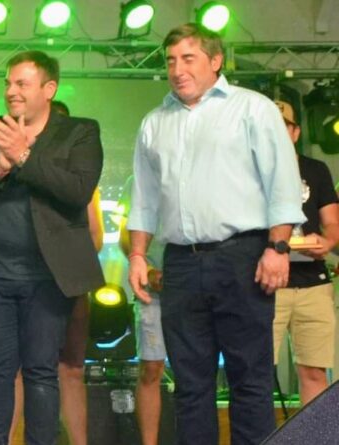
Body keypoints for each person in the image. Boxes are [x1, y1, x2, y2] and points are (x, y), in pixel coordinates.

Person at [127, 23, 305, 445]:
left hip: (242, 256)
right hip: (180, 263)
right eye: (171, 61)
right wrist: (137, 255)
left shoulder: (253, 109)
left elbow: (282, 183)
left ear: (216, 60)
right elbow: (145, 198)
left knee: (250, 378)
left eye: (188, 58)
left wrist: (278, 247)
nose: (177, 70)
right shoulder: (154, 122)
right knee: (190, 383)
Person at [0, 51, 104, 445]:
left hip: (49, 278)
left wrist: (23, 155)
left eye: (21, 83)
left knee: (40, 372)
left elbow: (77, 191)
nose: (11, 91)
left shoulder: (80, 132)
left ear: (48, 89)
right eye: (8, 83)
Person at [8, 99, 105, 445]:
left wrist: (62, 260)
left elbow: (95, 236)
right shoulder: (17, 173)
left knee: (71, 367)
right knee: (21, 369)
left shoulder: (81, 181)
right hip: (26, 281)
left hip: (69, 281)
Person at [271, 100, 339, 406]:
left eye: (284, 126)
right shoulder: (249, 171)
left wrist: (327, 242)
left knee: (314, 372)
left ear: (296, 132)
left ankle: (314, 432)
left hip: (313, 281)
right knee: (255, 372)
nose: (277, 132)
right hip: (267, 285)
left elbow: (333, 224)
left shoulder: (315, 169)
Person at [118, 177, 167, 445]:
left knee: (195, 369)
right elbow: (125, 235)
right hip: (152, 287)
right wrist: (147, 270)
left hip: (193, 284)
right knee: (151, 367)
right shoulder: (139, 180)